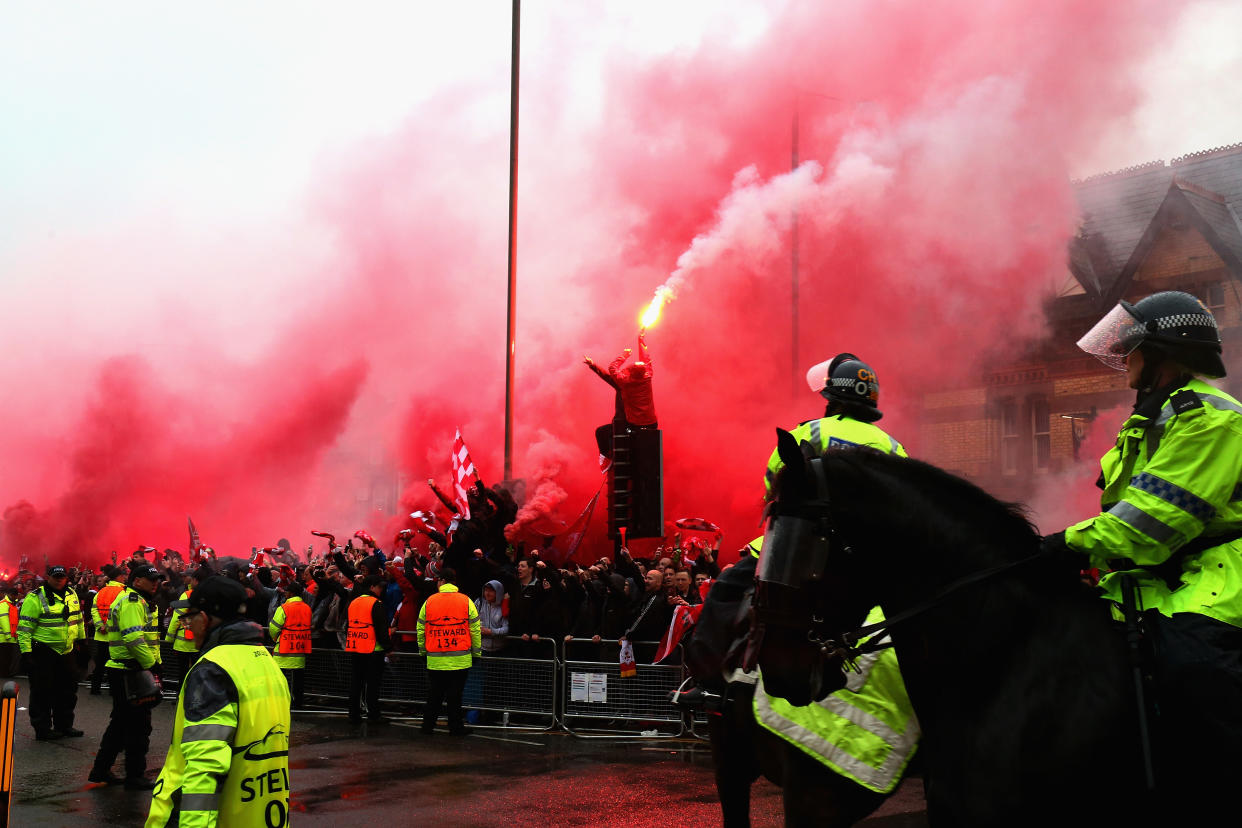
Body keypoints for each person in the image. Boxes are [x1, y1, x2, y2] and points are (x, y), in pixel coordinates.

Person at [1051, 290, 1242, 785]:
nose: (1124, 359)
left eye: (1132, 348)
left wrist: (1065, 544)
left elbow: (1154, 523)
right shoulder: (1149, 421)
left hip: (1219, 575)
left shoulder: (1209, 418)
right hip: (1157, 573)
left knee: (1193, 667)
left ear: (1164, 351)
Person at [146, 576, 291, 827]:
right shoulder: (266, 662)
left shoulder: (212, 669)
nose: (187, 626)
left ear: (206, 618)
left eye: (189, 618)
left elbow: (205, 767)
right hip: (263, 815)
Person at [89, 564, 163, 788]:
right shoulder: (132, 602)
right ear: (137, 581)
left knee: (121, 724)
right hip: (130, 670)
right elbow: (134, 640)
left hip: (126, 669)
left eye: (157, 579)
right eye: (151, 580)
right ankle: (134, 775)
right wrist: (152, 665)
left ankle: (101, 770)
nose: (155, 583)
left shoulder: (137, 601)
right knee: (138, 726)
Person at [18, 564, 86, 741]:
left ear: (66, 578)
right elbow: (24, 629)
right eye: (55, 576)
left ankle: (65, 726)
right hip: (44, 651)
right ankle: (42, 729)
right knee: (42, 692)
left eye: (62, 576)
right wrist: (26, 654)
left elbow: (78, 619)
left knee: (67, 691)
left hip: (67, 650)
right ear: (47, 577)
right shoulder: (35, 598)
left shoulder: (72, 594)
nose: (59, 579)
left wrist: (82, 642)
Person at [417, 567, 481, 735]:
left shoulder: (429, 601)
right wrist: (476, 653)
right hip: (460, 659)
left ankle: (427, 726)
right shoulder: (466, 601)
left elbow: (421, 630)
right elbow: (475, 630)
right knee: (455, 696)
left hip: (435, 659)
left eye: (438, 580)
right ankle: (456, 727)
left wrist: (423, 652)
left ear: (442, 581)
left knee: (434, 695)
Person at [345, 575, 391, 724]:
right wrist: (388, 648)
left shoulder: (354, 602)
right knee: (373, 684)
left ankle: (353, 713)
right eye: (379, 587)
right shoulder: (376, 603)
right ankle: (373, 714)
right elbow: (381, 630)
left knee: (356, 682)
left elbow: (347, 626)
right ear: (372, 586)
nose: (381, 590)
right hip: (373, 650)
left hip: (355, 647)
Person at [164, 565, 208, 689]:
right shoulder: (209, 596)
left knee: (183, 673)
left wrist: (169, 638)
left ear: (196, 580)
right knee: (198, 673)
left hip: (183, 644)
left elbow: (176, 619)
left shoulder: (187, 595)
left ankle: (181, 696)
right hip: (200, 643)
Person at [269, 580, 311, 709]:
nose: (285, 593)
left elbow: (274, 628)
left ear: (291, 593)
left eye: (287, 591)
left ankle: (282, 703)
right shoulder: (307, 608)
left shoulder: (284, 608)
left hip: (283, 652)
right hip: (300, 652)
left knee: (281, 681)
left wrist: (276, 639)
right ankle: (297, 704)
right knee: (298, 682)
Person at [89, 565, 126, 695]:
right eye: (123, 575)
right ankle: (113, 690)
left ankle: (95, 688)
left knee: (99, 664)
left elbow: (94, 609)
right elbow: (120, 612)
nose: (125, 578)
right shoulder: (123, 593)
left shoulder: (101, 592)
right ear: (119, 577)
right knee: (115, 664)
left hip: (101, 635)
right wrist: (109, 626)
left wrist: (100, 625)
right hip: (115, 636)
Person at [0, 584, 20, 678]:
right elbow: (4, 620)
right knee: (4, 657)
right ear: (12, 595)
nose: (16, 597)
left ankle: (5, 673)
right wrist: (8, 635)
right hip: (4, 637)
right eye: (15, 596)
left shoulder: (11, 605)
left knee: (7, 657)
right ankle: (4, 673)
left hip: (9, 637)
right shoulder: (4, 604)